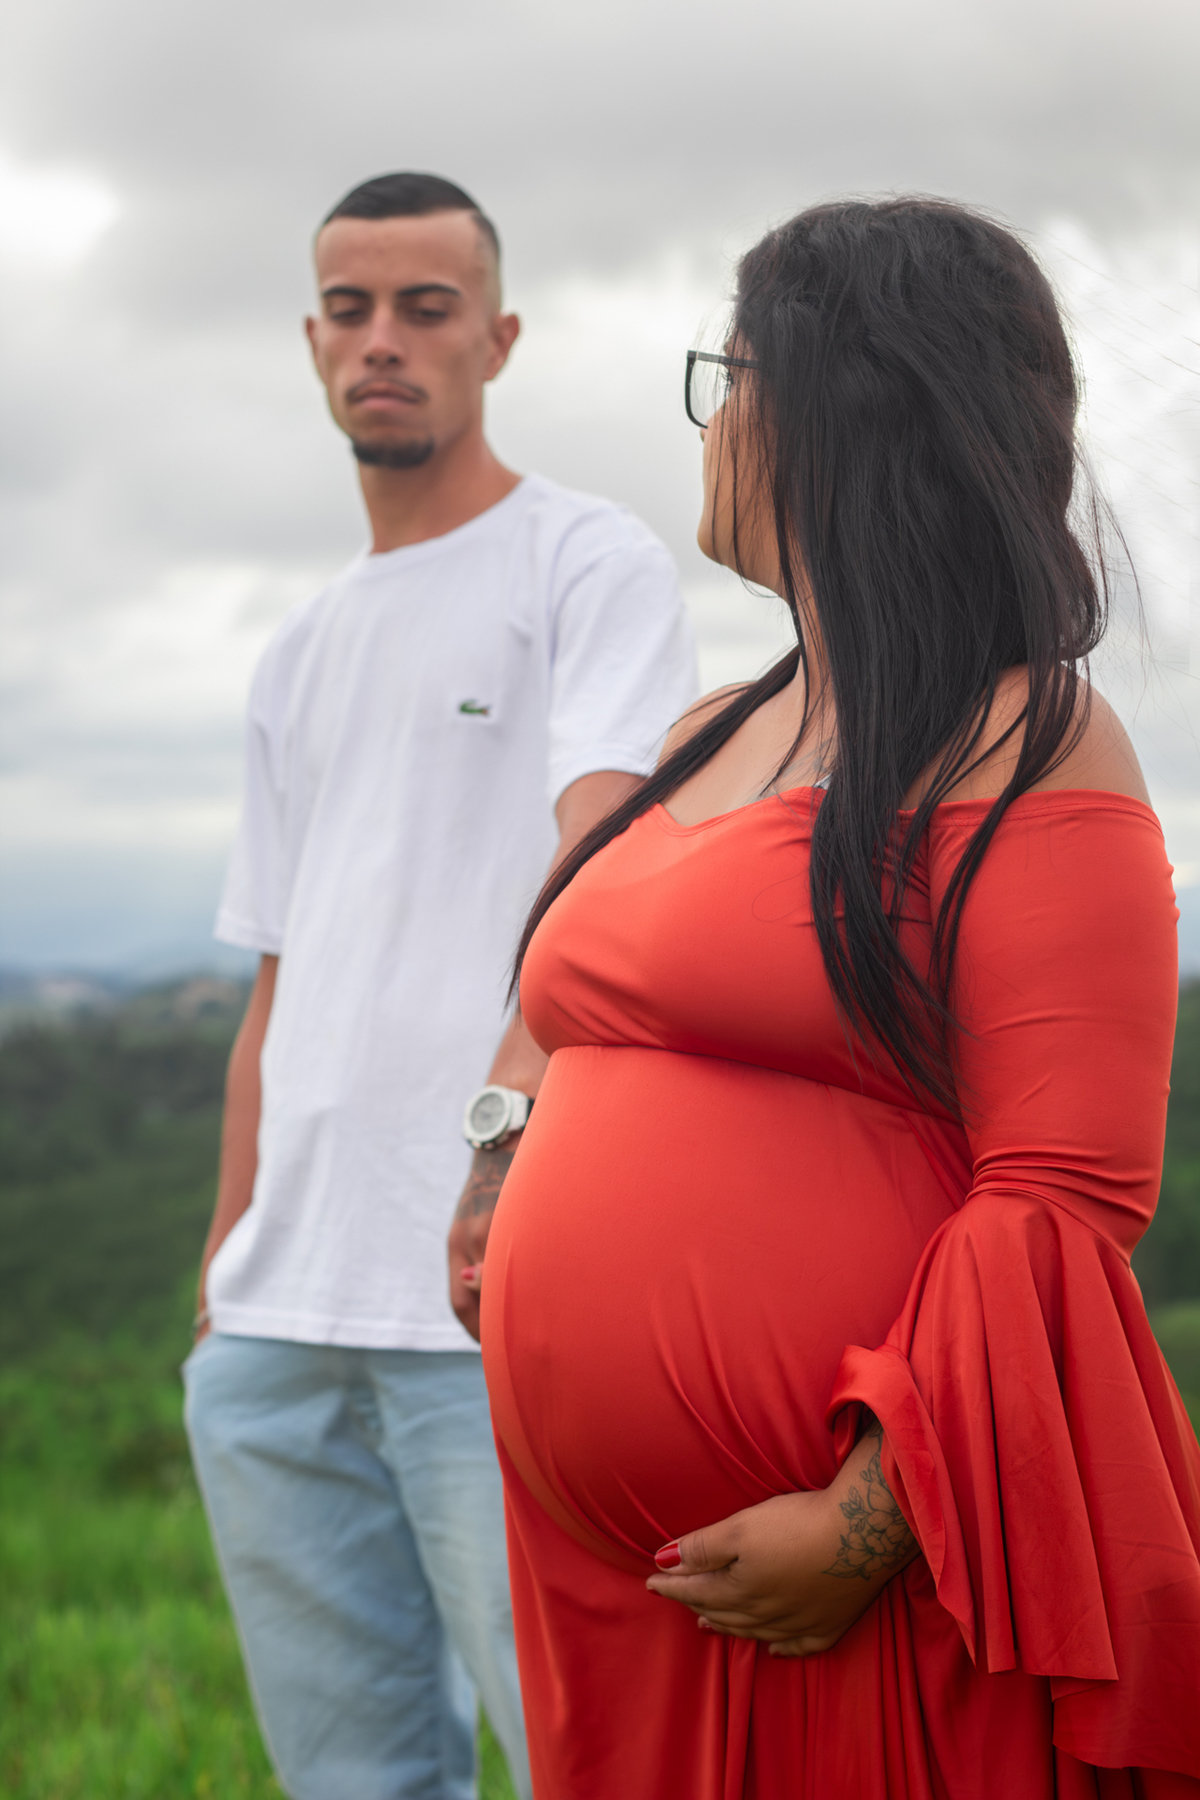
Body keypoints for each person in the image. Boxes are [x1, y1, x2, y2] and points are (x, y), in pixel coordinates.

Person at [478, 198, 1200, 1798]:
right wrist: (498, 1161)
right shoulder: (708, 724)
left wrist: (872, 1520)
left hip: (846, 1584)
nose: (713, 422)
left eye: (726, 376)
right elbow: (579, 1020)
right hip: (620, 1585)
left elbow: (1065, 1193)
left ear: (834, 408)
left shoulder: (1025, 741)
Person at [183, 171, 696, 1800]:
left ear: (499, 338)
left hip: (487, 1295)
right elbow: (280, 982)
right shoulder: (296, 647)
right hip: (276, 1324)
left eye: (424, 307)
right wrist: (225, 1255)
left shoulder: (584, 564)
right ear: (312, 338)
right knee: (351, 1783)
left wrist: (500, 1159)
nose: (381, 341)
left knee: (583, 1762)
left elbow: (603, 882)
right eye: (349, 307)